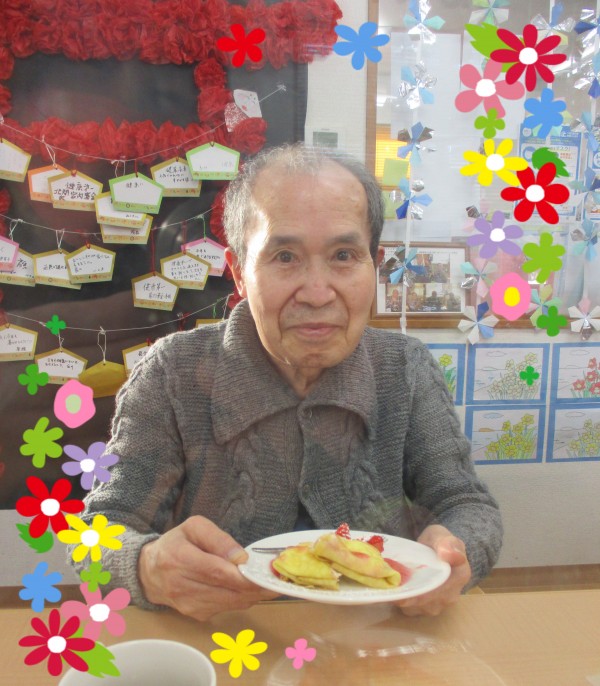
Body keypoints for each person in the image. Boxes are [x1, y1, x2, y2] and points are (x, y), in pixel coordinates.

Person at [74, 144, 502, 622]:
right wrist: (145, 565)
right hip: (226, 641)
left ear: (374, 265)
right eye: (284, 256)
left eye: (344, 255)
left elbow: (466, 503)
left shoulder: (406, 368)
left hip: (377, 638)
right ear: (239, 272)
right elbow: (96, 533)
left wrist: (457, 553)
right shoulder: (172, 372)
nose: (317, 294)